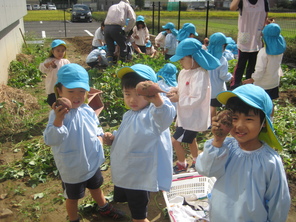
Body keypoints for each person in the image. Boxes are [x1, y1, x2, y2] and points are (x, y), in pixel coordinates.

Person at [195, 84, 291, 222]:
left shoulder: (270, 161)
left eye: (249, 119)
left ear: (264, 122)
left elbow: (279, 202)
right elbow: (206, 170)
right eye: (234, 118)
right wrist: (217, 140)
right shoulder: (225, 147)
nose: (239, 125)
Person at [43, 64, 125, 222]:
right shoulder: (57, 115)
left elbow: (96, 127)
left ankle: (104, 207)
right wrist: (59, 121)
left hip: (92, 162)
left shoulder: (87, 110)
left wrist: (103, 135)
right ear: (59, 91)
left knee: (96, 187)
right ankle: (74, 218)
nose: (77, 96)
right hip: (72, 168)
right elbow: (51, 140)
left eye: (81, 91)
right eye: (71, 91)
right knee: (73, 198)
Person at [103, 64, 176, 222]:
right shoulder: (130, 114)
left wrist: (156, 99)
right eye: (127, 94)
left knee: (139, 216)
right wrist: (113, 138)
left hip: (140, 176)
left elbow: (165, 115)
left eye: (139, 94)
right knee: (133, 206)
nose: (132, 99)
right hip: (128, 171)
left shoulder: (153, 114)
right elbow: (128, 134)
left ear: (151, 94)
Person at [168, 38, 220, 174]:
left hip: (192, 117)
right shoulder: (184, 72)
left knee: (175, 141)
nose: (180, 62)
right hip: (185, 115)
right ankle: (197, 161)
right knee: (191, 140)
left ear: (193, 58)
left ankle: (181, 164)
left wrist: (179, 98)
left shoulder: (200, 75)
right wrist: (175, 90)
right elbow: (182, 88)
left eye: (182, 59)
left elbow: (197, 98)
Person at [243, 23, 286, 117]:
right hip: (274, 82)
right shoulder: (280, 50)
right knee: (270, 102)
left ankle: (261, 123)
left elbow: (260, 70)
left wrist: (252, 79)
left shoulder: (263, 52)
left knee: (259, 104)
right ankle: (270, 121)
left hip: (262, 84)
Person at [230, 0, 269, 89]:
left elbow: (265, 16)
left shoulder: (263, 2)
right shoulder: (243, 2)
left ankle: (249, 87)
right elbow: (232, 8)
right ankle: (235, 86)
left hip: (257, 37)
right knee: (241, 64)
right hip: (245, 37)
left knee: (253, 65)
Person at [207, 32, 233, 119]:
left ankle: (204, 122)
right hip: (216, 88)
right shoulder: (222, 59)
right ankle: (212, 122)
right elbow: (223, 76)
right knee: (213, 106)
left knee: (205, 105)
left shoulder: (205, 56)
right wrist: (230, 77)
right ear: (222, 46)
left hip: (204, 86)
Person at [39, 39, 70, 107]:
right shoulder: (49, 60)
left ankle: (61, 110)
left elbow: (69, 70)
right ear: (53, 51)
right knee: (52, 100)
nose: (60, 53)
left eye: (63, 51)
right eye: (58, 50)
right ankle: (55, 110)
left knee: (63, 99)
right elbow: (42, 69)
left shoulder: (66, 61)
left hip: (63, 85)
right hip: (52, 85)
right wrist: (49, 64)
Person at [104, 0, 136, 64]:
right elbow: (133, 19)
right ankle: (121, 64)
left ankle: (110, 65)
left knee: (110, 48)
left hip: (106, 28)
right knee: (123, 47)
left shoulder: (112, 6)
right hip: (116, 28)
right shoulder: (126, 5)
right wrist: (126, 29)